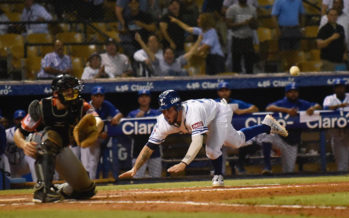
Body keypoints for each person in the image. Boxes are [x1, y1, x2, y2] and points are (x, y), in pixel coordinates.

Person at [119, 89, 288, 186]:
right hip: (209, 115)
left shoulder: (192, 113)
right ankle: (267, 126)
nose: (166, 114)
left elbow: (197, 141)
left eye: (168, 110)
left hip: (219, 112)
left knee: (212, 149)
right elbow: (149, 147)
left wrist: (184, 163)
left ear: (177, 107)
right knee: (238, 141)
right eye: (163, 110)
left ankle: (218, 176)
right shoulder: (163, 122)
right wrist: (135, 169)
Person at [13, 74, 103, 203]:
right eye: (68, 90)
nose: (72, 93)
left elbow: (97, 120)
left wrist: (96, 128)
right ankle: (42, 190)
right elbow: (19, 132)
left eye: (73, 89)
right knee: (51, 136)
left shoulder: (81, 105)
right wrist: (23, 144)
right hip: (38, 145)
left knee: (86, 190)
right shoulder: (42, 107)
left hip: (62, 149)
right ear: (57, 93)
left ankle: (60, 190)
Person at [258, 83, 322, 173]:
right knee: (267, 134)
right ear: (286, 93)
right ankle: (267, 167)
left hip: (292, 143)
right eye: (290, 92)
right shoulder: (283, 102)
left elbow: (318, 105)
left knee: (289, 171)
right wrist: (287, 111)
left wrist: (312, 108)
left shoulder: (302, 103)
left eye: (295, 91)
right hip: (280, 138)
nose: (293, 94)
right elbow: (268, 108)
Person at [215, 81, 264, 174]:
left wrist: (242, 111)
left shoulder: (236, 103)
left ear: (229, 91)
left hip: (236, 135)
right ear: (218, 92)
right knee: (217, 143)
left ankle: (240, 163)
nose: (224, 92)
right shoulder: (215, 103)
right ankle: (218, 172)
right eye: (221, 90)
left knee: (256, 142)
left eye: (226, 90)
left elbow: (255, 108)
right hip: (223, 138)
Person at [82, 85, 123, 179]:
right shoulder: (87, 107)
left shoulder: (106, 104)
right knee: (85, 163)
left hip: (96, 138)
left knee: (93, 162)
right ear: (92, 97)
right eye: (96, 96)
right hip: (85, 138)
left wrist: (116, 118)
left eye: (101, 96)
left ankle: (91, 183)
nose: (99, 98)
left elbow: (119, 114)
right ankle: (82, 184)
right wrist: (100, 134)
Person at [127, 89, 162, 178]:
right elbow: (127, 132)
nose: (144, 99)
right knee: (136, 177)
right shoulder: (132, 114)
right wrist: (136, 119)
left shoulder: (156, 113)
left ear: (150, 99)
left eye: (146, 96)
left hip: (155, 150)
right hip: (138, 150)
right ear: (138, 99)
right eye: (141, 96)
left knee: (156, 177)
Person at [134, 32, 202, 76]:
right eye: (167, 54)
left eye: (171, 54)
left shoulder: (179, 61)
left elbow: (191, 52)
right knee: (169, 72)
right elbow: (148, 52)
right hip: (163, 85)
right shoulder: (158, 62)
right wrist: (140, 40)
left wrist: (199, 40)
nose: (169, 56)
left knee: (184, 72)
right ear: (163, 56)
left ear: (174, 55)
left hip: (178, 85)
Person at [323, 78, 349, 171]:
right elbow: (326, 108)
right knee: (342, 165)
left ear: (345, 88)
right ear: (334, 89)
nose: (340, 89)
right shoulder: (329, 98)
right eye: (337, 87)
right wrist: (340, 106)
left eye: (341, 87)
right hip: (336, 135)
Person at [225, 0, 258, 74]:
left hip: (248, 39)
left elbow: (255, 27)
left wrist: (252, 22)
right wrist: (243, 23)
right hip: (237, 39)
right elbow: (229, 25)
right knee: (236, 64)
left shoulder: (252, 9)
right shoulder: (232, 9)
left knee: (249, 65)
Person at [5, 110, 36, 181]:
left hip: (22, 163)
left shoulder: (31, 133)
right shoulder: (7, 133)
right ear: (14, 120)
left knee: (32, 157)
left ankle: (37, 183)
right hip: (10, 165)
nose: (20, 121)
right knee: (15, 184)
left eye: (22, 119)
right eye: (17, 119)